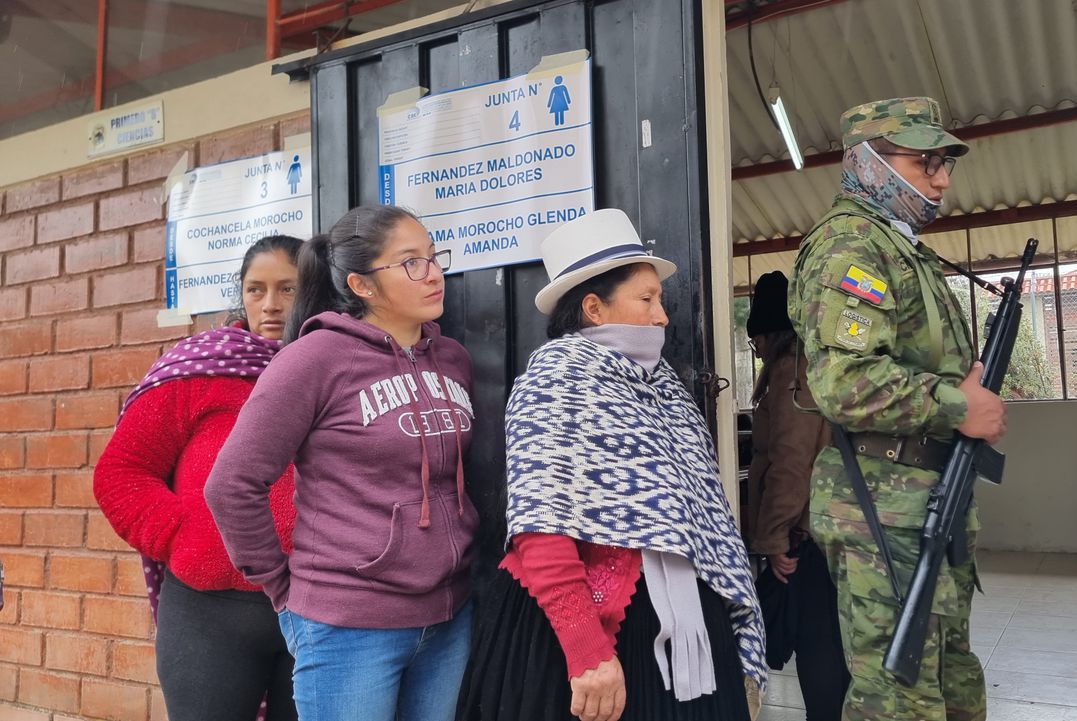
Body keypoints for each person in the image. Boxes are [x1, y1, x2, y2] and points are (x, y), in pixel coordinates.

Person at [456, 208, 767, 721]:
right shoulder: (555, 384)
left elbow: (700, 513)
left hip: (680, 616)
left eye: (660, 300)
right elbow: (541, 526)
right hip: (586, 631)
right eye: (647, 300)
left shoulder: (663, 389)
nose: (662, 317)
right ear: (595, 309)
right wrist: (587, 651)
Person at [205, 205, 478, 721]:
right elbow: (232, 483)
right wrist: (282, 591)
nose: (434, 271)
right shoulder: (313, 360)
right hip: (347, 625)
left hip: (447, 618)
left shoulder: (454, 359)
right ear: (363, 284)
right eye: (411, 262)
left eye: (434, 256)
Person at [788, 98, 1008, 721]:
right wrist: (956, 406)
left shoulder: (902, 247)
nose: (942, 179)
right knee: (900, 697)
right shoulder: (853, 245)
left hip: (921, 493)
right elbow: (844, 381)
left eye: (946, 164)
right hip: (878, 501)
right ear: (869, 164)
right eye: (926, 161)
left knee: (949, 677)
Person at [94, 235, 303, 721]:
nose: (270, 305)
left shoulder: (339, 368)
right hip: (210, 613)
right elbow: (121, 473)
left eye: (288, 289)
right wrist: (186, 536)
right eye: (256, 290)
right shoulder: (200, 369)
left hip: (319, 607)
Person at [744, 271, 849, 720]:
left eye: (757, 343)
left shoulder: (791, 369)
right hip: (829, 523)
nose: (759, 352)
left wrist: (775, 538)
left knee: (817, 643)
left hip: (809, 533)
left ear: (770, 334)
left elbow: (790, 460)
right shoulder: (817, 363)